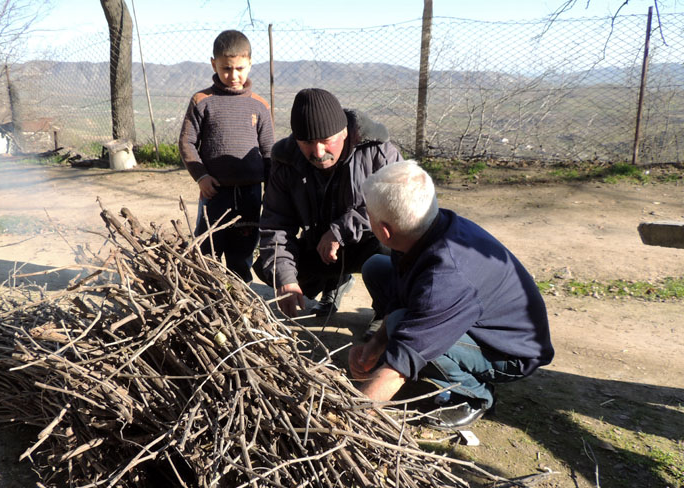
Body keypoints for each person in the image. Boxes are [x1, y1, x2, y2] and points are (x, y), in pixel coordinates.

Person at [349, 160, 554, 429]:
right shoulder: (423, 226)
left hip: (510, 353)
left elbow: (398, 367)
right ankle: (439, 363)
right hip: (469, 313)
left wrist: (349, 418)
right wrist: (375, 346)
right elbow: (402, 292)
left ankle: (475, 396)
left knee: (403, 326)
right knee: (377, 267)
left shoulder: (445, 277)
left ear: (385, 231)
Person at [253, 88, 402, 318]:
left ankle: (385, 313)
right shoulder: (285, 160)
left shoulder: (376, 151)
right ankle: (335, 281)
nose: (318, 152)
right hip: (321, 249)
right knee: (271, 268)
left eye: (326, 140)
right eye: (307, 142)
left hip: (368, 242)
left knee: (392, 248)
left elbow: (398, 204)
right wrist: (286, 278)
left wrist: (340, 230)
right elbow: (276, 225)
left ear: (344, 132)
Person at [179, 29, 274, 282]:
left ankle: (239, 304)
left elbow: (268, 152)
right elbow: (187, 142)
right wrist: (201, 176)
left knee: (241, 255)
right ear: (214, 64)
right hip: (215, 193)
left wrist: (273, 188)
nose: (234, 75)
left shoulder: (259, 105)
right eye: (226, 69)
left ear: (250, 63)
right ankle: (205, 299)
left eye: (240, 68)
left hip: (251, 195)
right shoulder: (202, 101)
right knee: (207, 251)